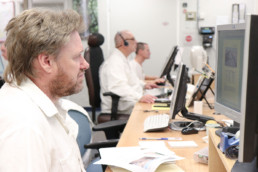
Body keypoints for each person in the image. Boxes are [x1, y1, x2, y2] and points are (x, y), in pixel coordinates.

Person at [0, 8, 89, 171]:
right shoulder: (24, 126)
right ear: (46, 62)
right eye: (77, 57)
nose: (85, 65)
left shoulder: (46, 103)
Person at [99, 30, 158, 114]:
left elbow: (131, 80)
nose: (136, 42)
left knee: (157, 104)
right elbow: (117, 87)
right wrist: (140, 97)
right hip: (120, 106)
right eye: (133, 39)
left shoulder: (123, 59)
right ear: (124, 43)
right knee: (153, 110)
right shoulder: (114, 62)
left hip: (127, 101)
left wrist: (144, 85)